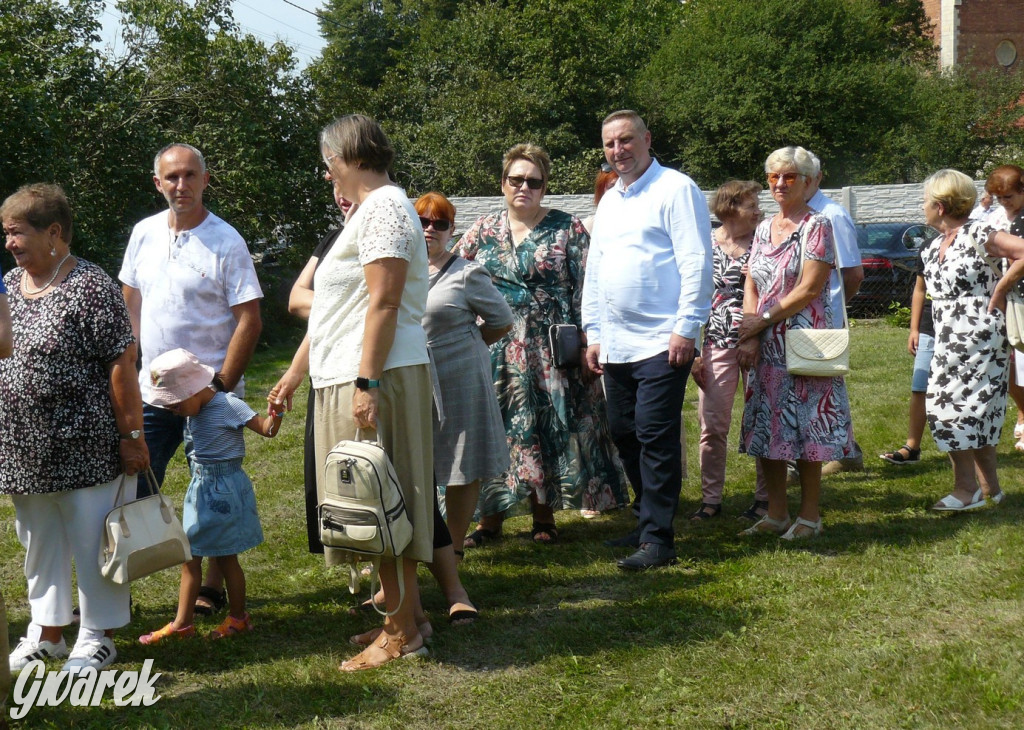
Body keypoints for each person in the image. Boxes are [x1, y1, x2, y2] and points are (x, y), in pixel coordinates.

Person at [1, 184, 149, 674]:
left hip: (85, 442)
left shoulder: (90, 285)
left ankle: (97, 636)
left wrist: (132, 437)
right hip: (24, 445)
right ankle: (47, 633)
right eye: (6, 234)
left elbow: (121, 365)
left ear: (54, 233)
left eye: (17, 233)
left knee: (92, 540)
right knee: (37, 539)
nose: (10, 244)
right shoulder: (7, 286)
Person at [308, 114, 433, 670]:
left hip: (376, 376)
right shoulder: (374, 208)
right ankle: (414, 616)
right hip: (358, 371)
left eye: (328, 161)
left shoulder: (381, 206)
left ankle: (401, 633)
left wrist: (366, 383)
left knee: (379, 504)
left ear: (348, 155)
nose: (327, 172)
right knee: (376, 500)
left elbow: (384, 302)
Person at [120, 142, 264, 617]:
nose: (181, 185)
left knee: (216, 487)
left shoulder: (227, 241)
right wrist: (127, 368)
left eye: (190, 176)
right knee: (137, 485)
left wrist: (219, 387)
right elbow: (131, 308)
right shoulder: (142, 234)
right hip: (154, 392)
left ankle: (214, 587)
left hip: (212, 395)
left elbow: (250, 320)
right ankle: (118, 589)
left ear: (205, 180)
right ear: (157, 183)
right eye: (172, 177)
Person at [458, 143, 627, 547]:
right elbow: (453, 278)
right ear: (503, 183)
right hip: (497, 349)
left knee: (550, 430)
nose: (524, 187)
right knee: (498, 432)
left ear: (544, 187)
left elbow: (592, 288)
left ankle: (544, 515)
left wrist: (591, 340)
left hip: (554, 350)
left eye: (534, 181)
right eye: (516, 179)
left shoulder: (568, 228)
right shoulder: (481, 231)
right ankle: (490, 519)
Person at [582, 110, 713, 570]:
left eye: (626, 140)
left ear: (647, 139)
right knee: (624, 432)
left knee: (656, 435)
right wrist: (593, 333)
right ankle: (645, 518)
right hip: (616, 343)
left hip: (662, 339)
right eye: (610, 144)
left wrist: (687, 327)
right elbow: (595, 272)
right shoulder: (610, 201)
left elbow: (697, 261)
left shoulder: (676, 189)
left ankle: (659, 539)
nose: (618, 151)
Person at [736, 146, 854, 540]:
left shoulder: (818, 224)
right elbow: (751, 281)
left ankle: (810, 516)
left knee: (806, 431)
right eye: (774, 177)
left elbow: (809, 288)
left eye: (789, 176)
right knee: (767, 427)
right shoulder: (765, 227)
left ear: (807, 181)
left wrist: (762, 321)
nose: (780, 184)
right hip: (765, 343)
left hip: (803, 341)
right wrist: (752, 331)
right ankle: (775, 513)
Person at [138, 349, 281, 644]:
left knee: (226, 556)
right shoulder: (193, 409)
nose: (173, 411)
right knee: (190, 556)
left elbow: (266, 430)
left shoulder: (229, 404)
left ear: (195, 389)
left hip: (224, 489)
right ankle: (183, 623)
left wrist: (275, 412)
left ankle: (237, 618)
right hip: (200, 487)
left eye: (176, 404)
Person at [920, 169, 1024, 511]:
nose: (923, 207)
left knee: (962, 411)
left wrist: (1004, 285)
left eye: (925, 201)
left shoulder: (979, 231)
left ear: (938, 205)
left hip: (980, 337)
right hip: (948, 337)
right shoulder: (934, 245)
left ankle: (966, 489)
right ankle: (989, 489)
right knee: (956, 409)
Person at [417, 192, 513, 552]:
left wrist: (467, 349)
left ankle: (453, 546)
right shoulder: (398, 272)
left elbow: (501, 321)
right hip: (411, 379)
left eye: (439, 224)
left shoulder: (467, 272)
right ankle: (416, 546)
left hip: (460, 377)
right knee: (414, 463)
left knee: (462, 461)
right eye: (423, 221)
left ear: (451, 231)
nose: (430, 229)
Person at [690, 181, 769, 521]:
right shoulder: (703, 243)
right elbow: (690, 297)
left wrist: (753, 336)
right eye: (752, 204)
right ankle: (711, 500)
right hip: (714, 343)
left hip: (761, 344)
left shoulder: (766, 242)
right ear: (730, 207)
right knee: (712, 425)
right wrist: (694, 350)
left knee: (763, 421)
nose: (758, 210)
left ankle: (766, 499)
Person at [805, 151, 865, 475]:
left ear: (816, 178)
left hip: (825, 317)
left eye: (800, 174)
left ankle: (843, 453)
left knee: (826, 386)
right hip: (802, 317)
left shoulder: (832, 215)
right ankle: (844, 450)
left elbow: (854, 274)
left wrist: (836, 311)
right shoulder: (800, 213)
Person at [880, 236, 937, 465]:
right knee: (919, 386)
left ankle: (972, 449)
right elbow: (920, 288)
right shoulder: (928, 246)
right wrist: (914, 328)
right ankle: (912, 447)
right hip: (928, 326)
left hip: (958, 327)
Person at [984, 165, 1024, 449]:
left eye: (1008, 196)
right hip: (1005, 298)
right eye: (999, 198)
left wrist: (1002, 287)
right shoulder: (995, 217)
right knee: (1009, 362)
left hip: (1015, 293)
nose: (1004, 203)